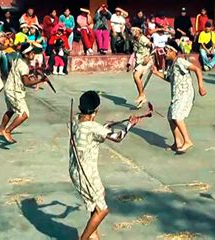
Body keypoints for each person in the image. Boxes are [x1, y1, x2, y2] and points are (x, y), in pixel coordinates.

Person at [69, 91, 140, 240]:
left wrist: (107, 125)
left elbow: (92, 129)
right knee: (102, 210)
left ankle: (93, 235)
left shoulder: (75, 119)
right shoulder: (93, 127)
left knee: (99, 197)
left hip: (76, 169)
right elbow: (117, 137)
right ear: (96, 109)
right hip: (85, 173)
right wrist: (129, 125)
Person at [151, 40, 206, 153]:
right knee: (171, 117)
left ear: (173, 51)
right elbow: (168, 78)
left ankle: (187, 141)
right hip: (176, 95)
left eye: (166, 51)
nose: (165, 53)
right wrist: (156, 73)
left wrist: (201, 86)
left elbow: (197, 69)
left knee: (177, 116)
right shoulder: (172, 65)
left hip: (185, 94)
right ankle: (178, 142)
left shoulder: (180, 61)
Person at [0, 43, 49, 143]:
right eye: (32, 53)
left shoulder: (18, 57)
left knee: (11, 110)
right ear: (26, 55)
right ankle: (8, 131)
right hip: (14, 91)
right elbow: (26, 83)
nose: (33, 54)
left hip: (9, 87)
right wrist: (40, 80)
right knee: (24, 114)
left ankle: (1, 129)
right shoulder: (23, 66)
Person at [131, 27, 152, 108]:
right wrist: (130, 62)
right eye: (133, 31)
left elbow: (153, 47)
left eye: (136, 30)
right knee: (137, 79)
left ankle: (141, 95)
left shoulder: (143, 39)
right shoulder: (134, 40)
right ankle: (143, 97)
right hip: (139, 61)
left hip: (145, 60)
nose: (134, 32)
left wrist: (149, 56)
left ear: (140, 32)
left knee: (136, 76)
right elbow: (135, 51)